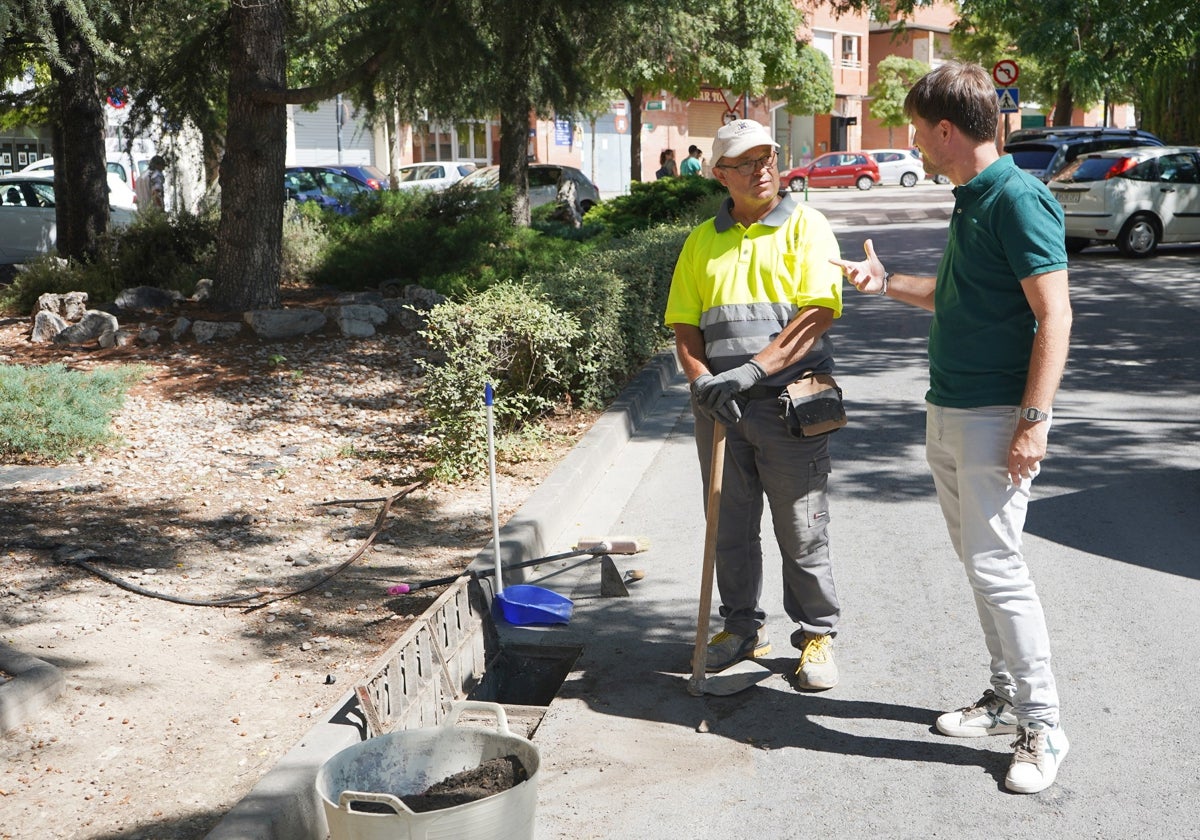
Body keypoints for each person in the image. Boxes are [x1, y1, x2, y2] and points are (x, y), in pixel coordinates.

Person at [831, 61, 1073, 794]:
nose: (911, 141)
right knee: (979, 564)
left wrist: (1033, 421)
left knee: (998, 567)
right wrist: (884, 284)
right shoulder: (972, 197)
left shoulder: (1018, 198)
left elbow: (1054, 315)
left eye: (914, 128)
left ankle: (1044, 724)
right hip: (951, 407)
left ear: (945, 129)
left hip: (998, 415)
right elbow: (951, 295)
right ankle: (1003, 697)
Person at [664, 119, 845, 691]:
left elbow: (816, 316)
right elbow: (685, 326)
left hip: (790, 403)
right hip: (721, 410)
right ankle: (741, 629)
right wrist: (700, 382)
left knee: (801, 527)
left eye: (767, 156)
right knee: (729, 528)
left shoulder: (806, 226)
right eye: (745, 162)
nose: (762, 168)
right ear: (720, 174)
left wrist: (749, 372)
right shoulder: (701, 241)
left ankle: (816, 634)